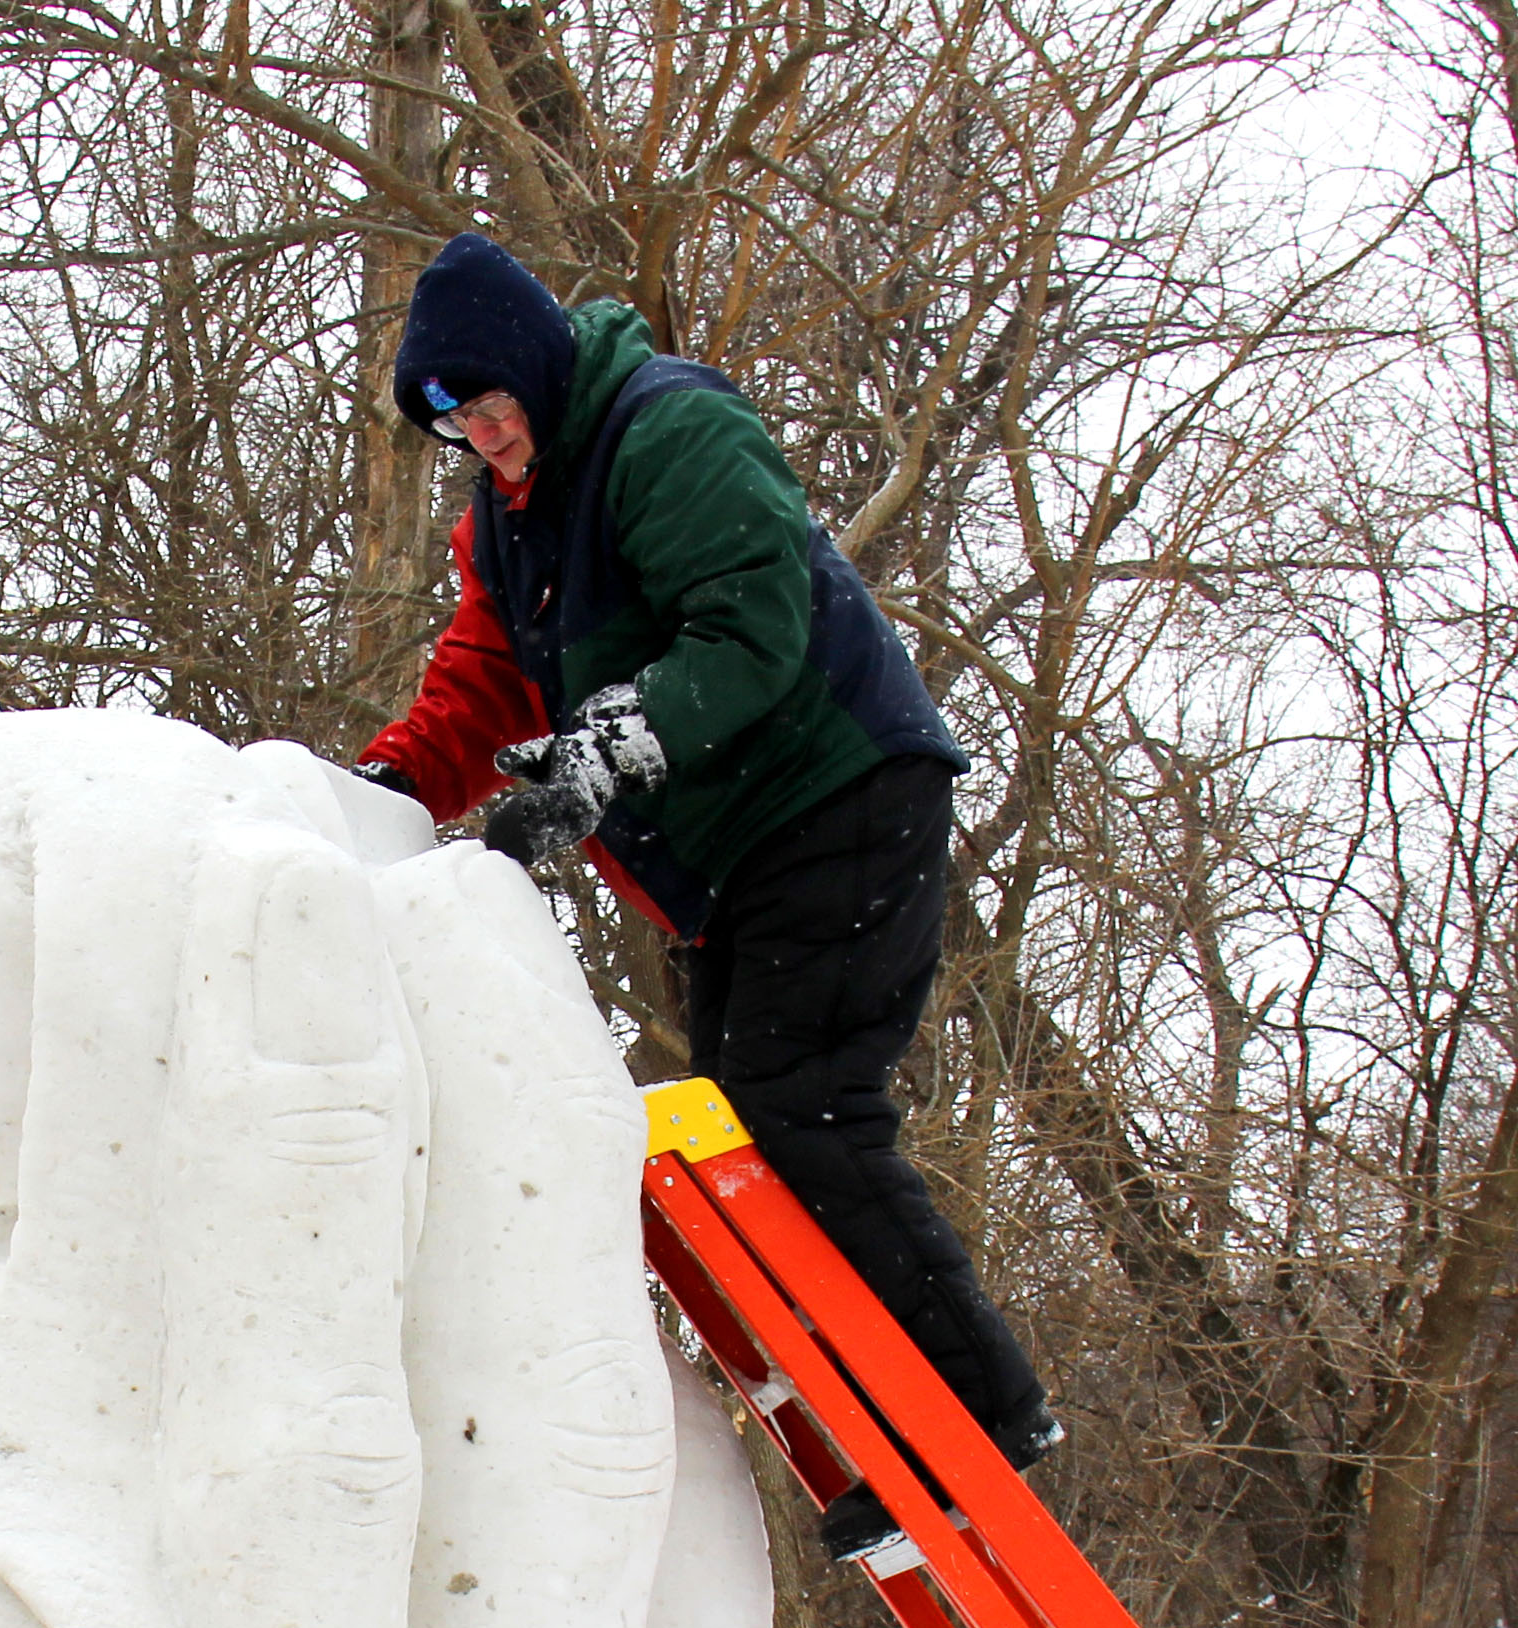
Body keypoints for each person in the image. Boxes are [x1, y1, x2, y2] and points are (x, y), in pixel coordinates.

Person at [352, 231, 1059, 1553]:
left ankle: (979, 1409)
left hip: (841, 797)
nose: (487, 445)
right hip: (749, 853)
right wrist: (376, 792)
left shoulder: (665, 431)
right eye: (461, 432)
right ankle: (901, 1416)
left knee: (803, 1105)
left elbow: (753, 627)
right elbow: (477, 687)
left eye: (494, 412)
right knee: (737, 1129)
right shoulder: (510, 532)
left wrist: (601, 750)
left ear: (535, 375)